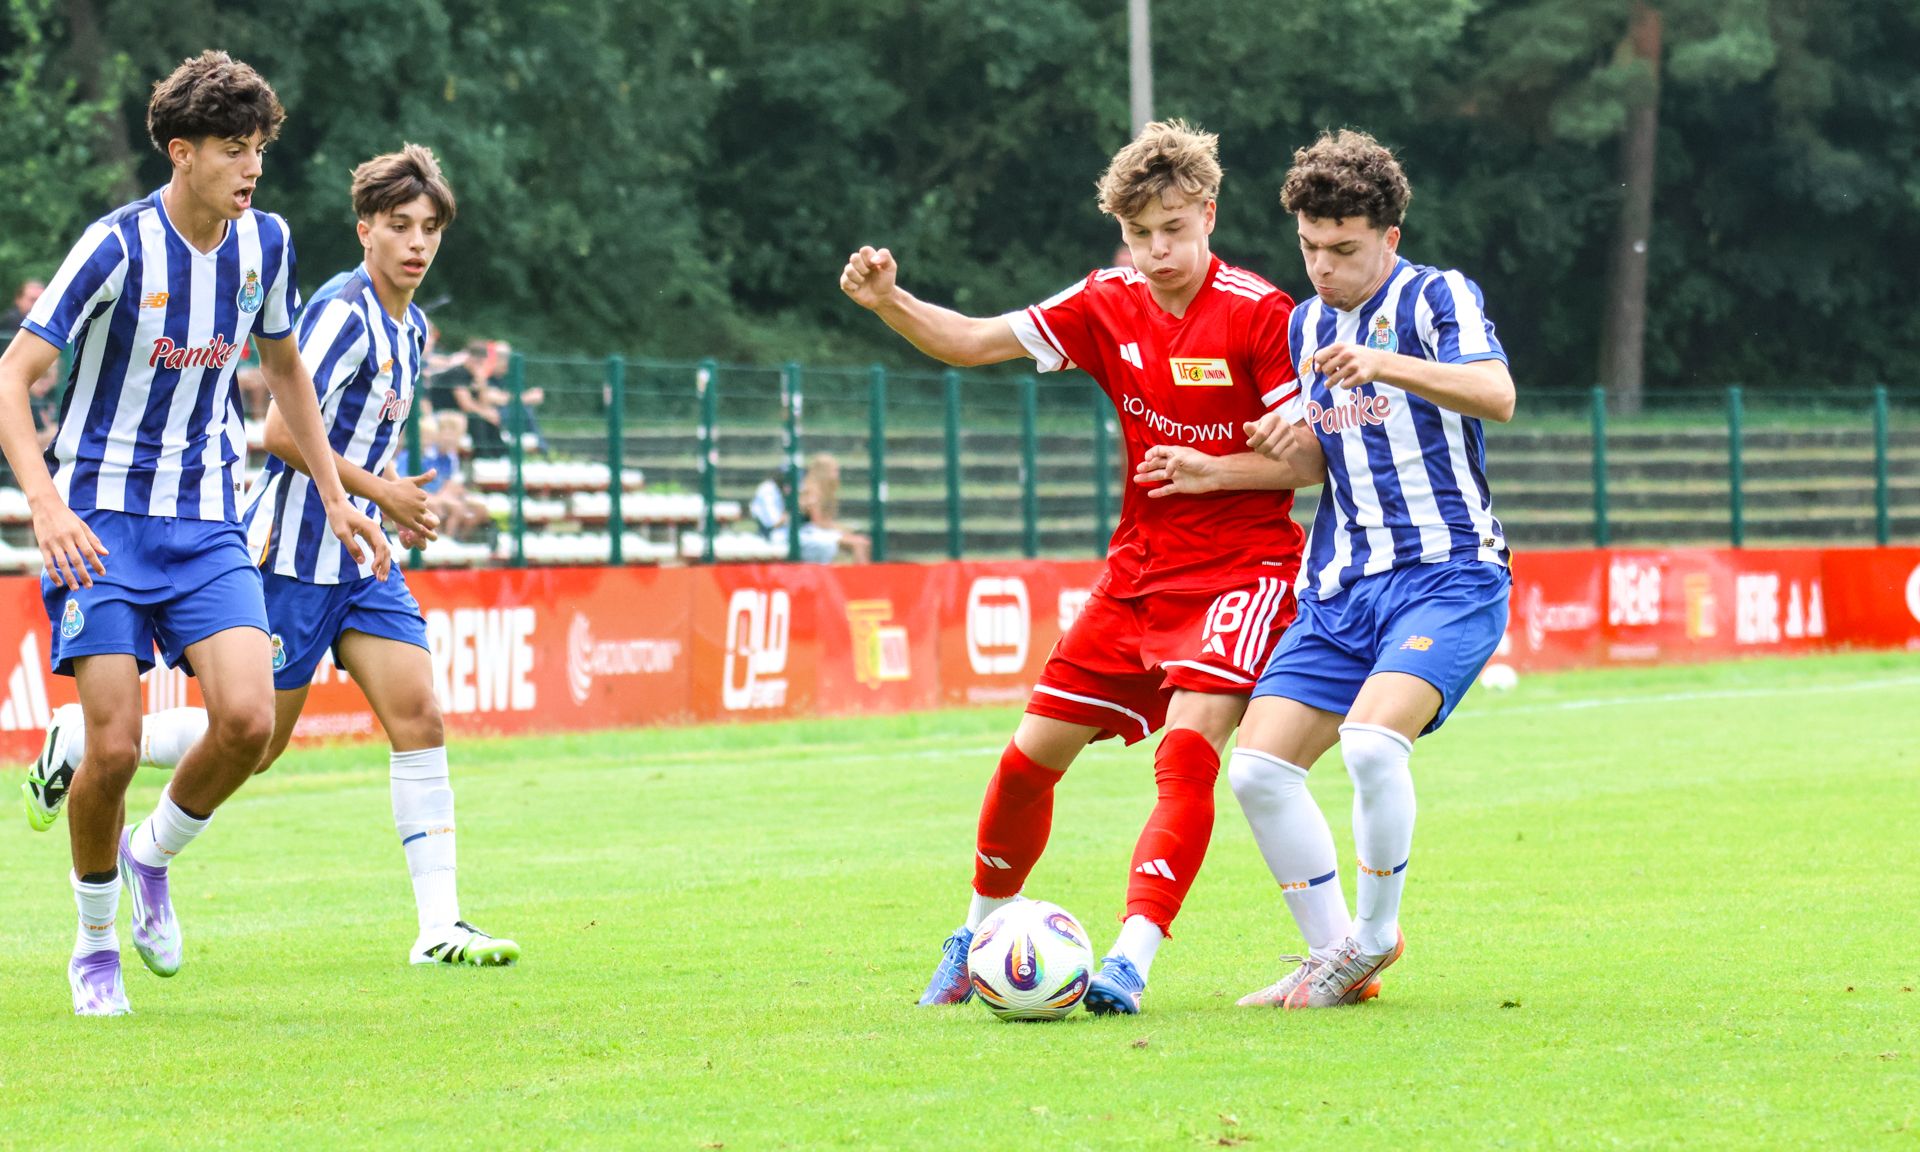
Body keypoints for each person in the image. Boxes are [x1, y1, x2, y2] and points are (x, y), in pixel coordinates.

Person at [840, 120, 1318, 1015]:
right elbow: (974, 341)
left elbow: (1316, 462)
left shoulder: (1262, 313)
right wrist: (891, 306)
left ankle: (1131, 961)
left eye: (1173, 230)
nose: (1157, 251)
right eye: (1140, 235)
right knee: (1028, 761)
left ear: (1208, 215)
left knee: (1186, 757)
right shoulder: (1106, 299)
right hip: (1138, 571)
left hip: (1243, 571)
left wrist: (1216, 472)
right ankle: (975, 935)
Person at [26, 145, 519, 969]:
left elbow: (348, 435)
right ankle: (91, 754)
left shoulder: (416, 327)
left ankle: (439, 925)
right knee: (255, 740)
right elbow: (285, 430)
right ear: (364, 230)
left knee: (420, 717)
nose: (416, 244)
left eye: (429, 228)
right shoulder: (338, 312)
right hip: (289, 553)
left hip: (361, 561)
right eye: (398, 226)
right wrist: (381, 492)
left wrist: (378, 502)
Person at [3, 50, 387, 1017]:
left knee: (252, 724)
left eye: (258, 147)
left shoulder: (267, 244)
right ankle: (94, 945)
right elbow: (12, 377)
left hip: (209, 517)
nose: (250, 167)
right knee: (117, 748)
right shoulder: (115, 247)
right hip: (100, 525)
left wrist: (337, 492)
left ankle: (152, 855)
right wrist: (47, 504)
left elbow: (287, 370)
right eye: (230, 149)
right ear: (181, 152)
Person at [1223, 129, 1515, 1009]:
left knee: (1370, 742)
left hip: (1449, 572)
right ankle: (1333, 957)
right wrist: (1271, 446)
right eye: (1309, 247)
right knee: (1257, 771)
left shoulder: (1436, 296)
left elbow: (1497, 396)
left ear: (1389, 236)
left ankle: (1377, 934)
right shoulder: (1305, 322)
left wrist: (1383, 360)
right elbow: (1319, 459)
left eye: (1343, 250)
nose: (1322, 268)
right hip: (1343, 585)